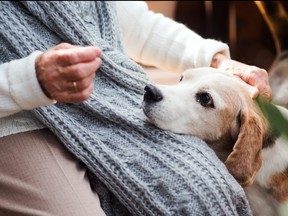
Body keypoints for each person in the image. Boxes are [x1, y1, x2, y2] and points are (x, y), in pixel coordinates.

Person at [0, 1, 272, 216]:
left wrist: (215, 59)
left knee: (204, 190)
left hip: (110, 102)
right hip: (18, 119)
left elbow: (135, 25)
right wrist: (29, 80)